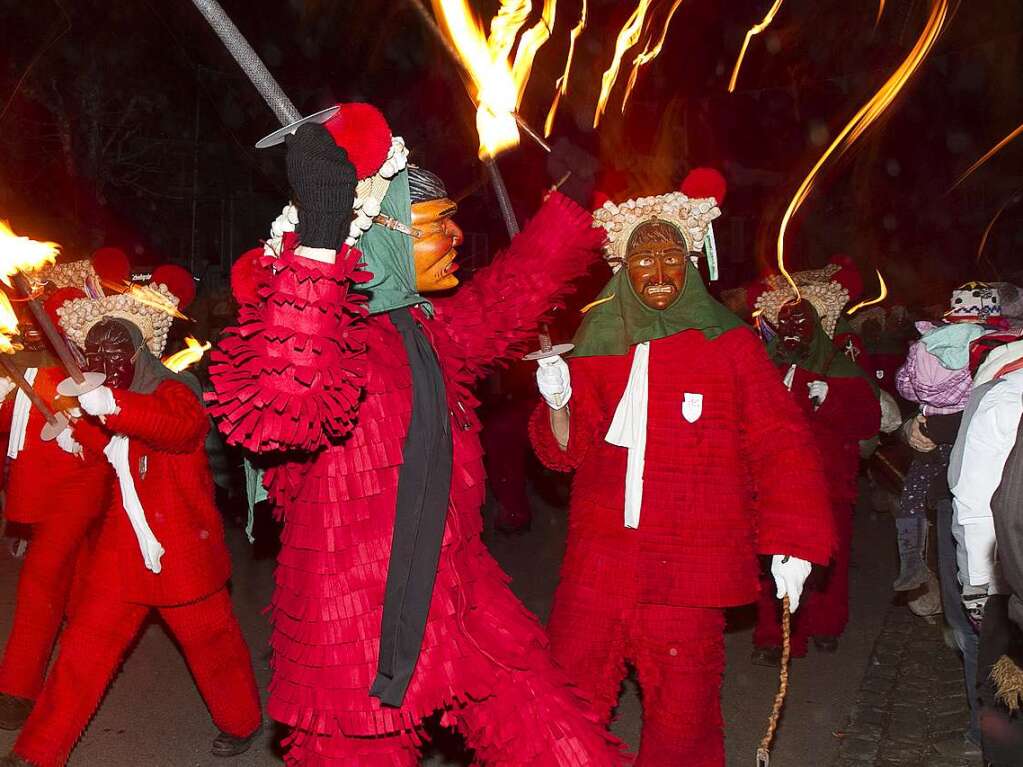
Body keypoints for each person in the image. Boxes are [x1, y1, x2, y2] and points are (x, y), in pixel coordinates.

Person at [209, 103, 626, 765]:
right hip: (354, 634)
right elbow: (279, 405)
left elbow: (504, 300)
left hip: (464, 597)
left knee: (566, 749)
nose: (458, 236)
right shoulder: (318, 329)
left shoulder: (424, 326)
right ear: (379, 236)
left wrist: (568, 207)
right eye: (437, 226)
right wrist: (320, 237)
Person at [528, 173, 835, 766]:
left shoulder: (732, 344)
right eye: (645, 258)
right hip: (602, 557)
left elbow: (780, 442)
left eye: (672, 257)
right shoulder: (597, 337)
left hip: (689, 560)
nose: (660, 273)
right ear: (623, 267)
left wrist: (793, 540)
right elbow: (566, 452)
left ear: (691, 262)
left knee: (683, 712)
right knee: (568, 693)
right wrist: (560, 402)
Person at [2, 278, 262, 767]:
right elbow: (109, 450)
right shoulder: (105, 395)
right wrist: (72, 431)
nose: (105, 366)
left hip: (180, 549)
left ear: (140, 350)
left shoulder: (174, 388)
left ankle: (242, 722)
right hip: (122, 554)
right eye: (95, 356)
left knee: (213, 646)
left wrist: (115, 408)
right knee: (82, 654)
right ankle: (39, 751)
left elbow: (176, 428)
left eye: (116, 353)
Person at [0, 257, 118, 731]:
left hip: (79, 492)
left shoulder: (94, 371)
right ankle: (80, 651)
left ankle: (17, 689)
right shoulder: (22, 372)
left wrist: (82, 427)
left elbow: (118, 431)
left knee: (40, 582)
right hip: (41, 496)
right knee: (75, 577)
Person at [751, 279, 880, 661]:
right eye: (786, 322)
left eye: (801, 322)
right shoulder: (762, 365)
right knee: (770, 559)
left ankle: (824, 623)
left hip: (827, 483)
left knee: (825, 559)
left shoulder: (840, 368)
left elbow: (867, 421)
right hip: (773, 482)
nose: (792, 330)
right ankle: (773, 635)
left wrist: (831, 397)